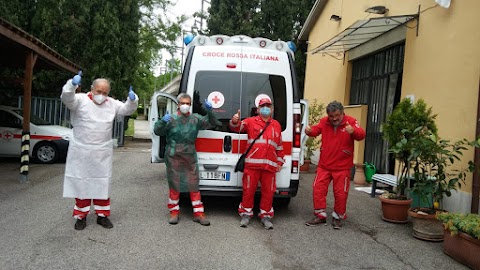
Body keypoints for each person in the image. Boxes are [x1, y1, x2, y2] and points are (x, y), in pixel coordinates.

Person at [61, 71, 138, 230]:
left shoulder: (111, 103)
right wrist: (72, 85)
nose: (101, 95)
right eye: (99, 91)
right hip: (81, 150)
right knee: (81, 183)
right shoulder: (80, 100)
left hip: (101, 152)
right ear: (92, 89)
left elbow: (126, 110)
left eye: (105, 92)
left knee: (102, 183)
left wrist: (133, 100)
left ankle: (102, 215)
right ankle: (81, 216)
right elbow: (66, 98)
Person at [153, 93, 219, 226]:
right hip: (173, 155)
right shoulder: (170, 119)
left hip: (189, 155)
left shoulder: (196, 119)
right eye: (183, 103)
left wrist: (210, 111)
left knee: (193, 184)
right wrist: (161, 121)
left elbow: (213, 123)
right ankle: (174, 212)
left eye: (188, 103)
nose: (185, 106)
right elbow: (157, 131)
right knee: (175, 183)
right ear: (178, 104)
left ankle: (198, 213)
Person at [304, 101, 366, 229]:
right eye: (331, 116)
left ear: (342, 112)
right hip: (324, 165)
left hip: (342, 167)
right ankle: (320, 215)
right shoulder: (324, 121)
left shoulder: (351, 121)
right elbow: (315, 130)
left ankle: (338, 217)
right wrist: (309, 131)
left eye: (337, 115)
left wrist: (353, 131)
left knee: (341, 194)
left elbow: (361, 135)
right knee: (318, 190)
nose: (334, 119)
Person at [229, 96, 285, 229]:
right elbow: (236, 128)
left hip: (270, 166)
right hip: (252, 165)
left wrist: (280, 162)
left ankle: (266, 216)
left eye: (268, 106)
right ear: (258, 109)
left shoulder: (276, 125)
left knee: (268, 192)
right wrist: (234, 121)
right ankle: (246, 214)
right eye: (263, 106)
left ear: (271, 109)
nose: (266, 108)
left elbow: (279, 146)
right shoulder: (250, 121)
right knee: (248, 190)